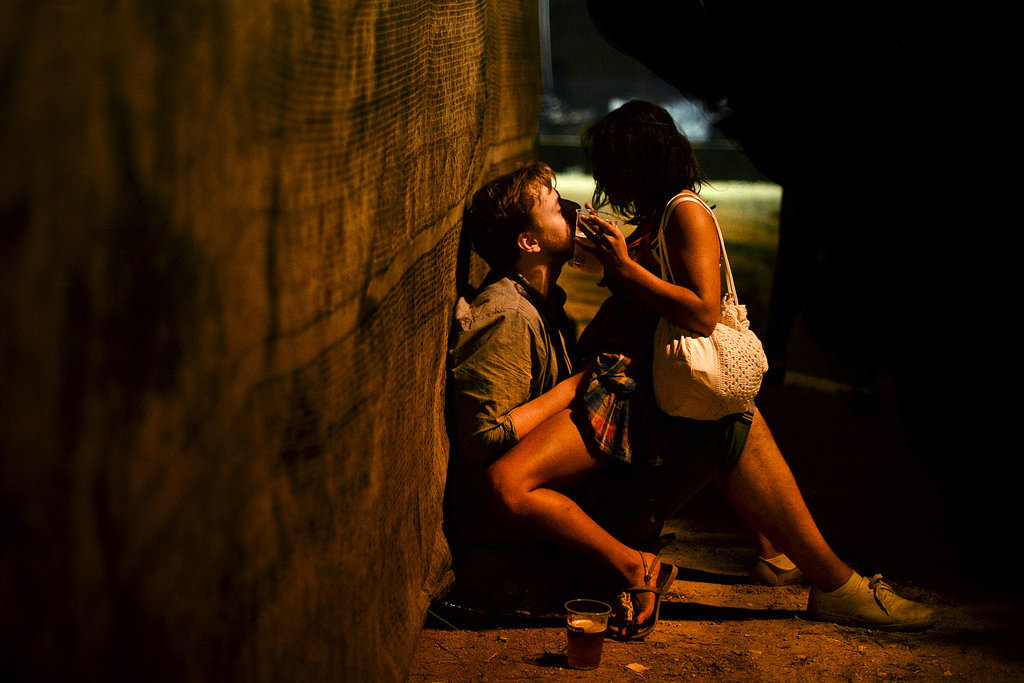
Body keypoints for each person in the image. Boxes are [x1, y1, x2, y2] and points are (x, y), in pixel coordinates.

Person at [472, 100, 933, 637]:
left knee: (731, 420)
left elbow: (702, 310)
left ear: (635, 164)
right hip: (615, 395)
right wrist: (614, 265)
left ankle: (816, 573)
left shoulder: (684, 211)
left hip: (624, 392)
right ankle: (810, 570)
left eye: (609, 171)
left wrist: (622, 269)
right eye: (560, 203)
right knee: (732, 424)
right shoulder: (534, 295)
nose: (597, 190)